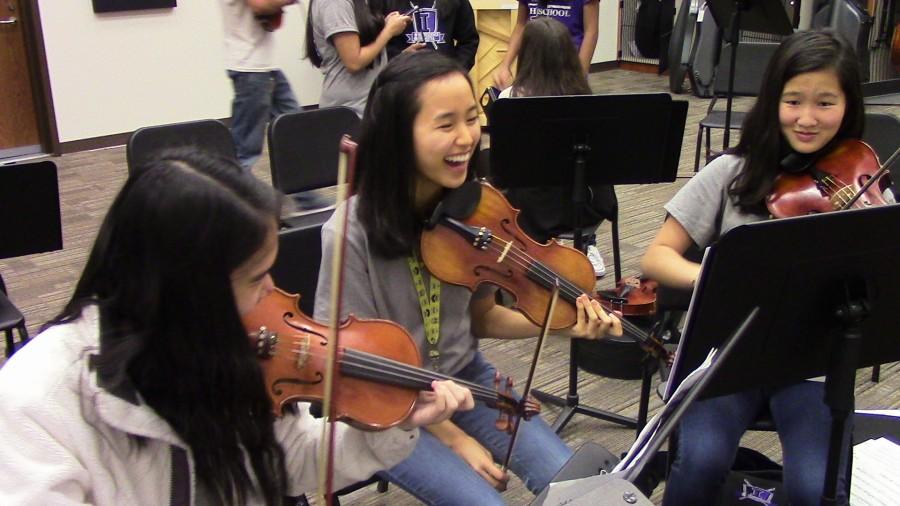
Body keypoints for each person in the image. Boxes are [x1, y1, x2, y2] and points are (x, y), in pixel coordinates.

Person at [0, 149, 474, 505]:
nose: (273, 292)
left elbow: (296, 461)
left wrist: (393, 425)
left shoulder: (224, 352)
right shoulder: (36, 404)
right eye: (254, 278)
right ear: (186, 290)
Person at [314, 51, 622, 505]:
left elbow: (481, 319)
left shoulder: (475, 210)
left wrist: (559, 325)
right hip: (391, 406)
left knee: (575, 486)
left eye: (473, 118)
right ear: (398, 136)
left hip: (467, 379)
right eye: (445, 124)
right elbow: (354, 370)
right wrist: (455, 440)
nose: (467, 138)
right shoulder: (349, 234)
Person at [640, 30, 862, 505]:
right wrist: (718, 278)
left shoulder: (859, 182)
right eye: (793, 101)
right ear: (772, 100)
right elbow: (655, 257)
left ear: (848, 107)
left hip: (811, 362)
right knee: (700, 462)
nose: (807, 118)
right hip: (728, 351)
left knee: (812, 486)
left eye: (825, 103)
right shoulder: (732, 172)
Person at [498, 17, 613, 277]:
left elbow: (505, 165)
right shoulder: (588, 100)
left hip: (530, 214)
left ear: (526, 55)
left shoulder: (510, 100)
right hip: (587, 209)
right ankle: (583, 249)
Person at [219, 0, 301, 170]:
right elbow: (260, 4)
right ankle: (236, 193)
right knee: (246, 150)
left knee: (294, 131)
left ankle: (302, 194)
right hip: (250, 68)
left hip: (264, 66)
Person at [307, 0, 411, 117]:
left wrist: (402, 55)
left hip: (369, 105)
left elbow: (365, 46)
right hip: (351, 111)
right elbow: (354, 62)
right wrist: (388, 32)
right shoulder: (335, 3)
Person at [493, 0, 599, 89]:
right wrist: (505, 65)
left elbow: (591, 32)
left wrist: (578, 75)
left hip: (566, 66)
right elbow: (521, 25)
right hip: (533, 67)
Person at [381, 0, 480, 71]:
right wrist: (399, 57)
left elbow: (469, 41)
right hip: (400, 80)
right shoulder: (384, 3)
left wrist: (456, 72)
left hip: (444, 81)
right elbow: (375, 45)